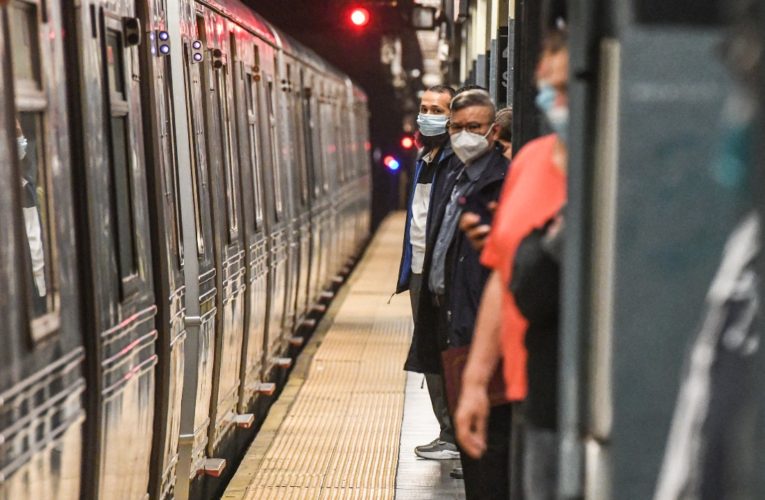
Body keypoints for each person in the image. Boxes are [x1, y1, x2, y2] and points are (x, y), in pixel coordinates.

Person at [454, 29, 569, 499]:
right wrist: (476, 382)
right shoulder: (530, 162)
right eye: (546, 84)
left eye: (562, 88)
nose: (551, 98)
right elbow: (503, 274)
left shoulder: (614, 168)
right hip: (527, 393)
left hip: (578, 398)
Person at [415, 89, 511, 498]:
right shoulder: (451, 176)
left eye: (473, 128)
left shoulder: (502, 182)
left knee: (488, 449)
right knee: (472, 450)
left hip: (481, 331)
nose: (463, 136)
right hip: (450, 322)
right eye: (457, 128)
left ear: (492, 132)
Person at [396, 84, 460, 460]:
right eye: (424, 107)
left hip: (439, 272)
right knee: (429, 351)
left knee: (440, 352)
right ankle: (446, 430)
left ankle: (451, 434)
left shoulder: (452, 161)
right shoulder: (425, 158)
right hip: (419, 268)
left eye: (437, 109)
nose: (428, 115)